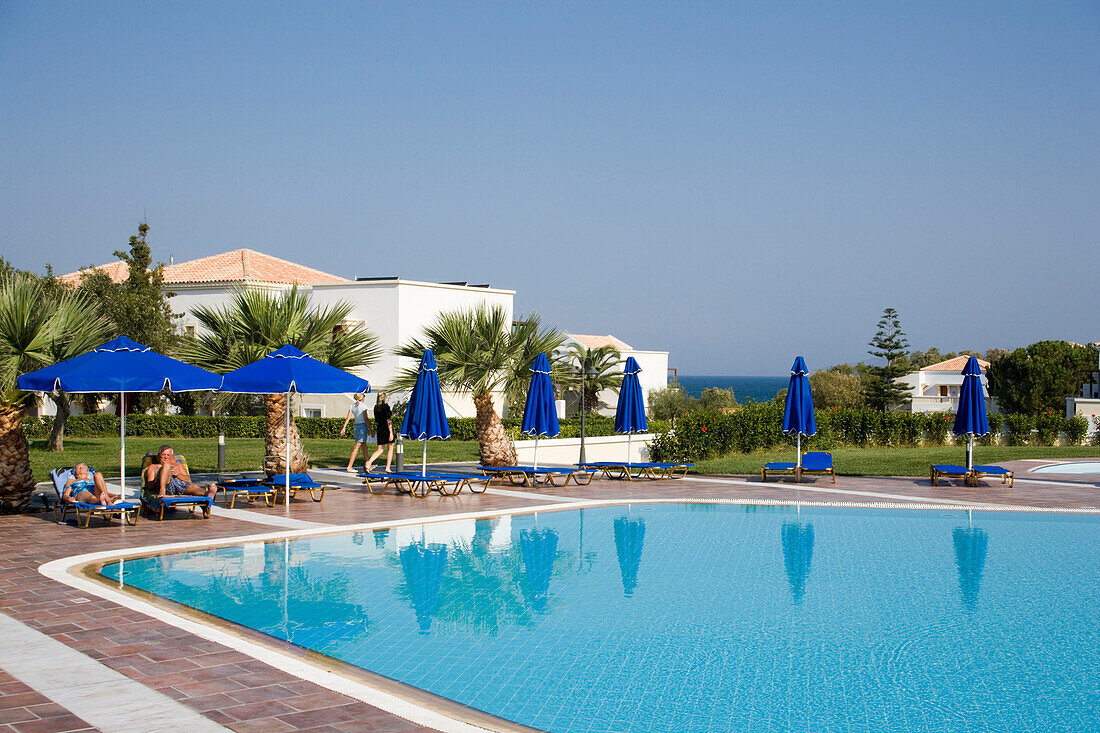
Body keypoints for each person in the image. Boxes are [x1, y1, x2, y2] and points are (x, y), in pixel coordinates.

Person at [144, 445, 217, 500]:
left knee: (193, 487)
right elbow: (150, 486)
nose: (166, 457)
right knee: (166, 465)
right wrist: (159, 477)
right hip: (166, 488)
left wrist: (177, 474)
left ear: (172, 457)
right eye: (163, 455)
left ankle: (207, 493)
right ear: (159, 455)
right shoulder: (153, 467)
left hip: (180, 486)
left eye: (168, 455)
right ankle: (162, 490)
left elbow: (188, 480)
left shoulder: (178, 465)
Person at [339, 392, 370, 472]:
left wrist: (344, 427)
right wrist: (371, 429)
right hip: (362, 427)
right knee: (357, 446)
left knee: (364, 446)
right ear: (362, 397)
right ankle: (350, 466)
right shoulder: (364, 406)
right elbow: (366, 419)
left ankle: (368, 464)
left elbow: (348, 417)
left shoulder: (352, 406)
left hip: (356, 427)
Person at [365, 392, 395, 473]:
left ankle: (369, 462)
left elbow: (377, 419)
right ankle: (387, 467)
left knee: (380, 449)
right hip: (386, 428)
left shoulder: (376, 407)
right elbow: (388, 420)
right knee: (390, 447)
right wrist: (391, 432)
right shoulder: (386, 407)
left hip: (379, 428)